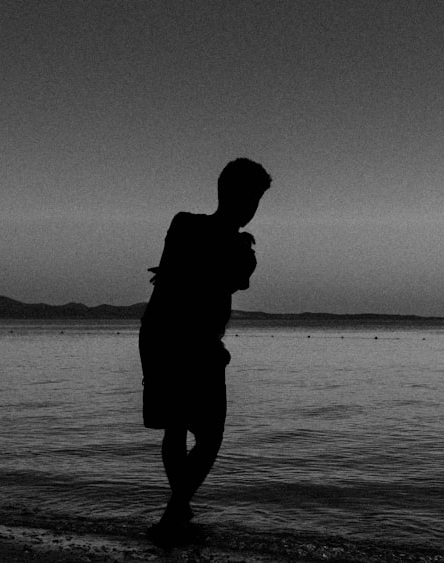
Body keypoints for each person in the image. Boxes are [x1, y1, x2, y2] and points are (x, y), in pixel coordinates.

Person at [138, 158, 271, 540]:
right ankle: (174, 513)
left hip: (163, 335)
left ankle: (177, 511)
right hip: (184, 340)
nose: (253, 208)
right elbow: (225, 278)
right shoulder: (221, 239)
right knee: (209, 435)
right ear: (233, 194)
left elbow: (215, 277)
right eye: (253, 198)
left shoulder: (189, 227)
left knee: (178, 427)